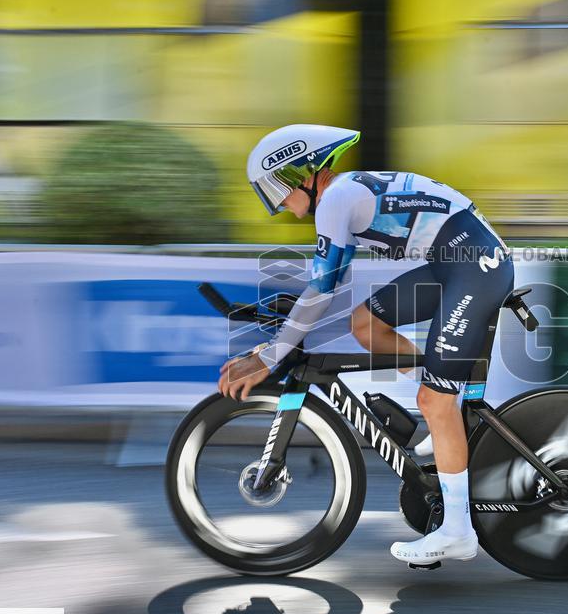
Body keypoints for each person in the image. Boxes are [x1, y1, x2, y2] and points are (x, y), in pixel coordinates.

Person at [219, 124, 514, 566]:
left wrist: (271, 354)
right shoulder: (344, 194)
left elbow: (322, 289)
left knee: (432, 401)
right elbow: (327, 287)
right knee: (366, 323)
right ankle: (446, 410)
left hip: (474, 266)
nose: (285, 208)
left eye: (278, 191)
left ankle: (458, 531)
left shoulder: (336, 200)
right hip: (455, 262)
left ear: (301, 172)